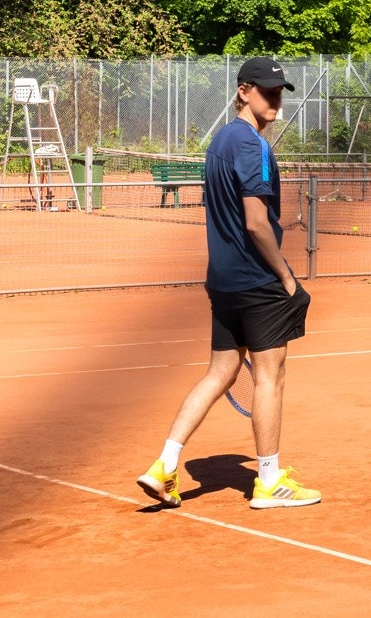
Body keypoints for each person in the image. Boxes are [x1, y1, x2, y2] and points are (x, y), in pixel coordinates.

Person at [136, 57, 320, 510]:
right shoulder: (252, 145)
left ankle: (164, 465)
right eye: (266, 91)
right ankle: (268, 482)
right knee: (271, 376)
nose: (275, 100)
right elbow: (256, 222)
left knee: (220, 372)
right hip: (258, 280)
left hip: (223, 280)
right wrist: (286, 277)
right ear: (243, 91)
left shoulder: (219, 140)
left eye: (278, 92)